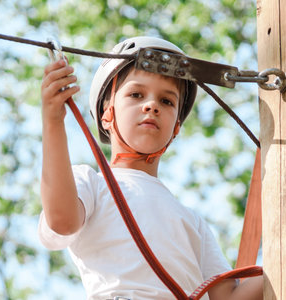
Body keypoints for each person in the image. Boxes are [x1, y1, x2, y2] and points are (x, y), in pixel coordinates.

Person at [38, 36, 263, 300]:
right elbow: (62, 221)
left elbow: (228, 298)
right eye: (136, 94)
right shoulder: (91, 184)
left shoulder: (192, 222)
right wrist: (53, 121)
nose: (152, 105)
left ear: (176, 128)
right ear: (106, 114)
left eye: (166, 101)